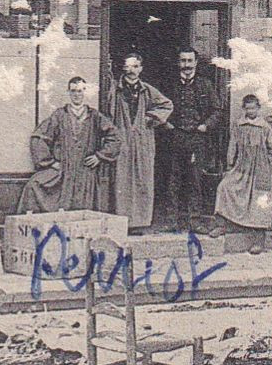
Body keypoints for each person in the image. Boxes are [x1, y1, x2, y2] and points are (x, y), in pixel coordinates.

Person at [19, 77, 120, 214]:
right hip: (63, 169)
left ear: (85, 92)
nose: (77, 95)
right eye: (73, 91)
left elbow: (115, 137)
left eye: (80, 91)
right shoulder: (60, 115)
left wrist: (99, 156)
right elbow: (39, 138)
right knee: (34, 185)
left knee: (84, 209)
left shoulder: (94, 116)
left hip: (85, 171)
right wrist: (50, 162)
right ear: (68, 92)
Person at [210, 93, 272, 255]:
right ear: (244, 109)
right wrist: (230, 164)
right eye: (247, 108)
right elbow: (233, 145)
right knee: (224, 188)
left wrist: (269, 167)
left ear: (258, 108)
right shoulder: (238, 125)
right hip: (242, 168)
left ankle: (258, 241)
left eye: (253, 108)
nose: (251, 111)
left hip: (260, 170)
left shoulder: (265, 127)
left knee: (259, 202)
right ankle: (222, 225)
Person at [158, 46, 224, 232]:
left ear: (195, 62)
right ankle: (172, 220)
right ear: (179, 63)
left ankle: (194, 220)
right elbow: (158, 107)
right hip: (175, 137)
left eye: (189, 61)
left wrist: (206, 125)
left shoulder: (205, 85)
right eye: (183, 61)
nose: (186, 65)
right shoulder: (170, 85)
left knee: (195, 180)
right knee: (173, 179)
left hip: (197, 138)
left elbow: (217, 110)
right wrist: (166, 124)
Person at [109, 53, 172, 233]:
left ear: (141, 69)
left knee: (143, 179)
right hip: (122, 139)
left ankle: (141, 221)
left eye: (135, 66)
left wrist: (151, 117)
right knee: (122, 179)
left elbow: (167, 105)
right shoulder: (115, 89)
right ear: (122, 68)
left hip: (143, 140)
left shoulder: (147, 90)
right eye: (128, 66)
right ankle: (123, 221)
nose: (131, 71)